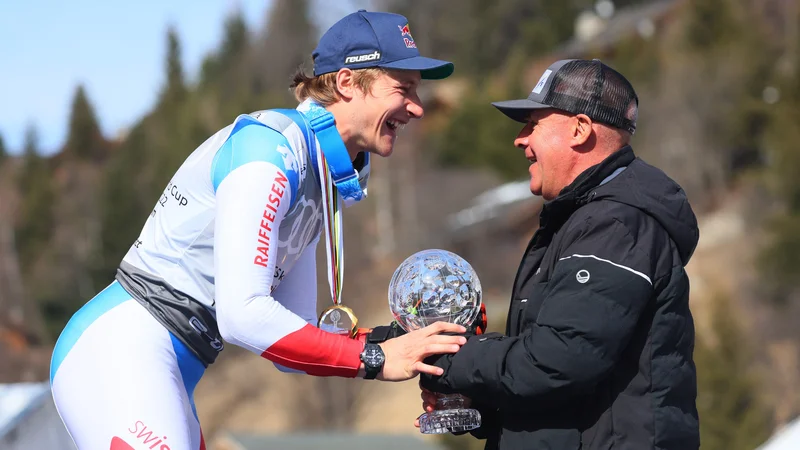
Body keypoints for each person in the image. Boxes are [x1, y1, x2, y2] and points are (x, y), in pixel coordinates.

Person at [50, 10, 467, 450]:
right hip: (118, 348)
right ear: (347, 83)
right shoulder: (273, 150)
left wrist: (390, 342)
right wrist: (374, 359)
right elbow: (242, 315)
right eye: (403, 89)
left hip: (166, 361)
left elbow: (294, 334)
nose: (418, 108)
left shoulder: (318, 176)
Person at [417, 59, 700, 450]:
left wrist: (441, 356)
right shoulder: (583, 219)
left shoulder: (616, 224)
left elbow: (555, 362)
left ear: (580, 130)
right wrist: (479, 402)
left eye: (533, 123)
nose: (520, 139)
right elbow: (564, 385)